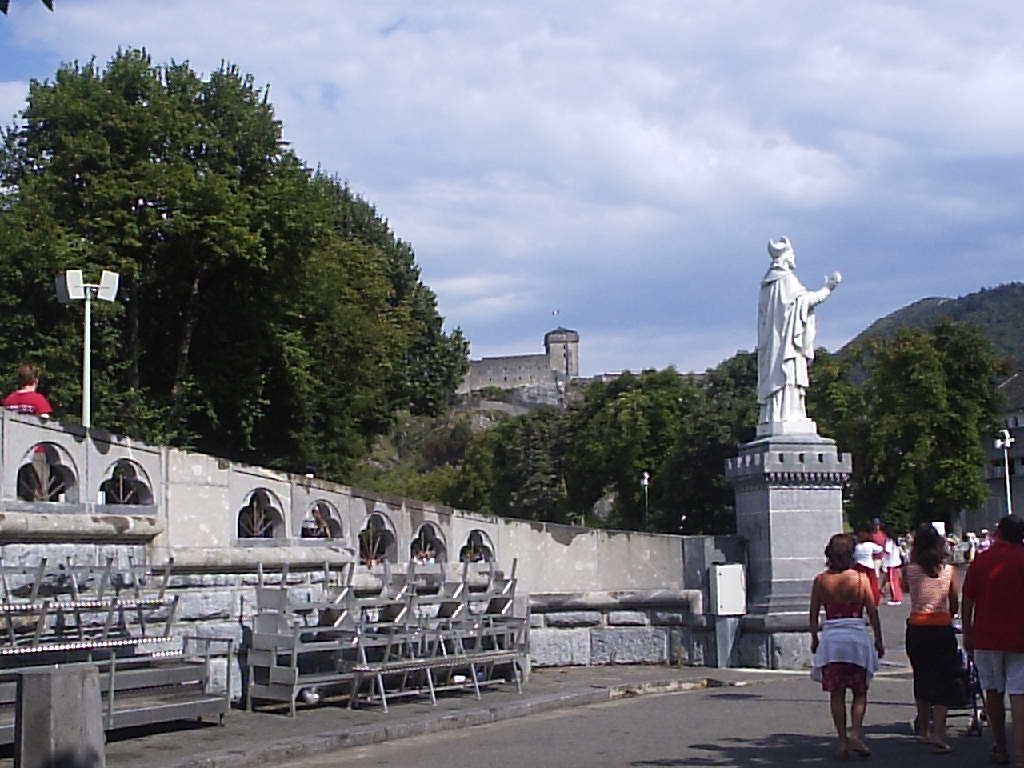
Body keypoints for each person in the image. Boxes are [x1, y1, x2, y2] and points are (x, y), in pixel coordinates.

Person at [756, 236, 841, 436]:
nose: (794, 257)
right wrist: (828, 288)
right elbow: (804, 302)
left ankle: (779, 414)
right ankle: (788, 416)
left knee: (783, 379)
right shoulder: (785, 280)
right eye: (792, 254)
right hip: (785, 345)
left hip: (775, 346)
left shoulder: (768, 284)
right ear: (786, 256)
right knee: (788, 378)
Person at [809, 533, 884, 759]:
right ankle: (857, 733)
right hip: (856, 637)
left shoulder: (821, 581)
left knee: (836, 693)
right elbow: (872, 611)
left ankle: (842, 740)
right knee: (860, 691)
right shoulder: (860, 579)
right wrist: (878, 639)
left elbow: (813, 614)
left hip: (832, 640)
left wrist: (814, 638)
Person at [962, 514, 1024, 766]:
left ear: (998, 532)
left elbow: (968, 600)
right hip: (1020, 635)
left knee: (993, 692)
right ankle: (1021, 753)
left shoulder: (982, 561)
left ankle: (1000, 746)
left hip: (986, 635)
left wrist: (967, 631)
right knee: (1019, 694)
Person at [904, 522, 962, 754]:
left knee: (922, 674)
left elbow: (908, 590)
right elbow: (954, 601)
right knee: (944, 677)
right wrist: (951, 614)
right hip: (941, 625)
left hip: (917, 625)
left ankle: (924, 729)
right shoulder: (948, 571)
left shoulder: (910, 570)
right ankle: (939, 732)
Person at [853, 530, 883, 606]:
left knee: (859, 584)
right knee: (873, 584)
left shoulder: (857, 547)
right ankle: (875, 600)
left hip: (859, 566)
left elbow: (854, 556)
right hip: (869, 566)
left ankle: (860, 600)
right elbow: (880, 549)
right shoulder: (870, 545)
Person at [882, 526, 904, 605]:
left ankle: (895, 598)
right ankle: (898, 597)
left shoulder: (889, 541)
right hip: (896, 562)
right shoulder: (895, 540)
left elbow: (887, 551)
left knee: (892, 581)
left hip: (891, 563)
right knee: (896, 581)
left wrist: (882, 549)